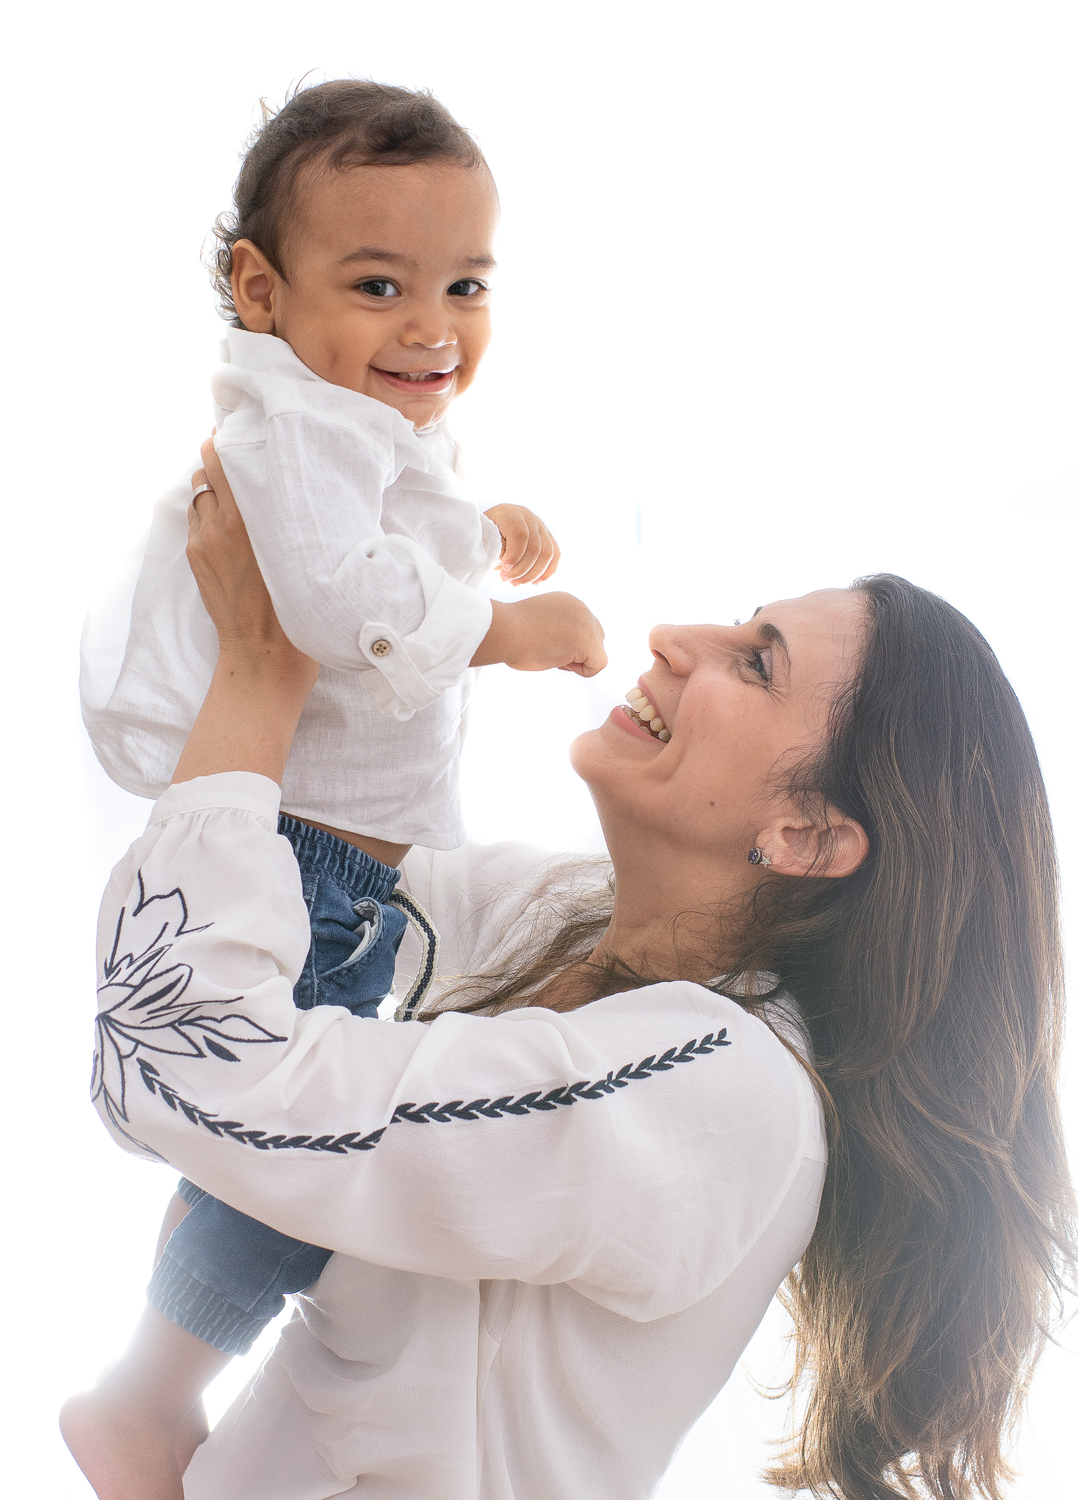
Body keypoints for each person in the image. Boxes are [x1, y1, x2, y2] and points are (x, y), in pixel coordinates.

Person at [63, 443, 1075, 1500]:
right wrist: (362, 559)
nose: (678, 640)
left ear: (810, 833)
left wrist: (259, 675)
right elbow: (290, 871)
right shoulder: (553, 919)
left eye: (756, 662)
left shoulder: (727, 1093)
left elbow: (191, 1065)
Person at [69, 82, 606, 1495]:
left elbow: (386, 546)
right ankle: (146, 1394)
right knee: (304, 1160)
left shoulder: (352, 415)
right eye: (379, 285)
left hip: (349, 866)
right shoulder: (298, 427)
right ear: (262, 288)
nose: (433, 326)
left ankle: (160, 1385)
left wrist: (481, 530)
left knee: (294, 1159)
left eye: (466, 284)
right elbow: (328, 600)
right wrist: (509, 627)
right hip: (310, 867)